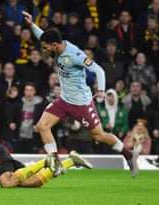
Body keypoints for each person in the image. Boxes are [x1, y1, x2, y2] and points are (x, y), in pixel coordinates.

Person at [22, 11, 137, 177]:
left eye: (46, 47)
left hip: (81, 103)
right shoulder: (56, 46)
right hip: (64, 100)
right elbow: (42, 36)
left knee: (99, 135)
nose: (44, 50)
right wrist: (32, 24)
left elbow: (99, 70)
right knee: (42, 126)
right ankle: (56, 164)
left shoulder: (74, 55)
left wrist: (102, 90)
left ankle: (128, 154)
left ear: (54, 45)